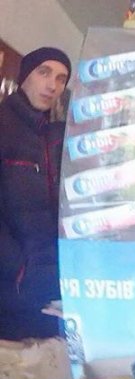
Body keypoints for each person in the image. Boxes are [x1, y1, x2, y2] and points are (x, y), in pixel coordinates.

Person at [0, 47, 71, 340]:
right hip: (11, 283)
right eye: (44, 72)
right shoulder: (4, 125)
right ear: (25, 76)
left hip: (49, 281)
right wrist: (17, 266)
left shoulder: (56, 134)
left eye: (61, 78)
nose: (52, 85)